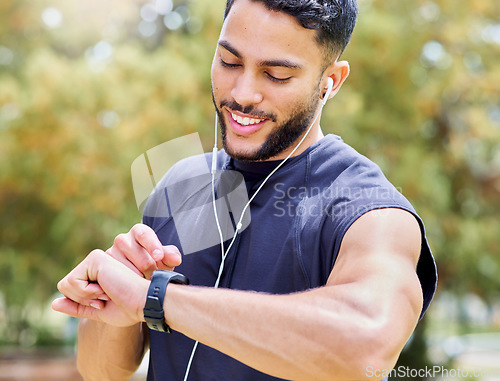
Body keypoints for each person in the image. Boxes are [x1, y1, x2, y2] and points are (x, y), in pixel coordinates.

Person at [52, 0, 437, 380]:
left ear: (330, 82)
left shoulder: (368, 209)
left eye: (277, 74)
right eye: (230, 62)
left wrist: (157, 300)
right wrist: (117, 293)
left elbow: (366, 345)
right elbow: (100, 372)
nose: (243, 93)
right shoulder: (183, 184)